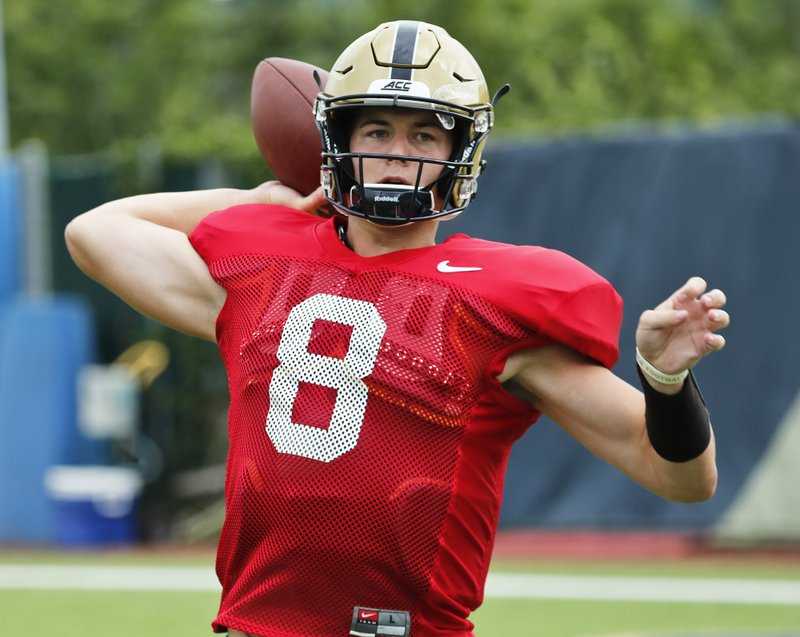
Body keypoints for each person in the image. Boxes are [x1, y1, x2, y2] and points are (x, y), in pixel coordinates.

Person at [65, 20, 728, 637]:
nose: (395, 155)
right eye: (375, 131)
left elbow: (681, 478)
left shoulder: (495, 299)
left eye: (423, 136)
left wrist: (667, 379)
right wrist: (252, 200)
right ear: (337, 142)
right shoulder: (260, 266)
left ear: (461, 150)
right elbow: (93, 232)